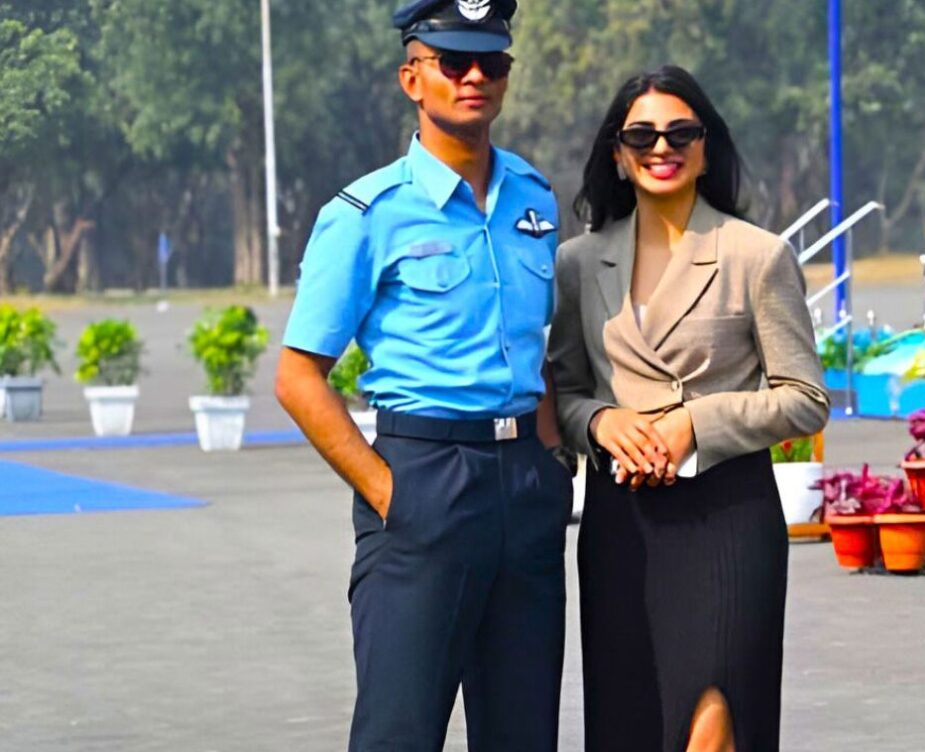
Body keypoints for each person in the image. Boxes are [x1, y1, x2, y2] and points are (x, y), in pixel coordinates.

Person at [274, 2, 573, 750]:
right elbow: (298, 374)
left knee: (522, 732)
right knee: (399, 733)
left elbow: (539, 349)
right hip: (424, 482)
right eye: (453, 62)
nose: (475, 76)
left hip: (525, 489)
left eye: (492, 62)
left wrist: (552, 462)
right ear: (413, 77)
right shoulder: (368, 213)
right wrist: (387, 491)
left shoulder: (534, 200)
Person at [548, 65, 831, 752]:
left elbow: (805, 399)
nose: (661, 147)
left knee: (714, 727)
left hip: (727, 522)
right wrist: (604, 424)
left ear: (706, 147)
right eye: (641, 134)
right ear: (617, 152)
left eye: (681, 132)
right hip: (624, 529)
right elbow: (563, 392)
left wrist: (693, 426)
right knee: (629, 722)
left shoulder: (756, 256)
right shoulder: (578, 264)